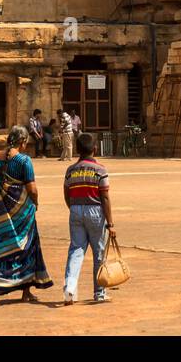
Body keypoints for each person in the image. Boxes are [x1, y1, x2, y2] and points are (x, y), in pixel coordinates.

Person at [0, 125, 53, 305]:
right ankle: (25, 290)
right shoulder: (24, 161)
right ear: (22, 141)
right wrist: (35, 202)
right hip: (22, 215)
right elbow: (32, 189)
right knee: (27, 248)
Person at [63, 131, 115, 305]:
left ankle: (70, 289)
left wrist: (74, 208)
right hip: (95, 211)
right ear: (95, 149)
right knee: (98, 253)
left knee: (76, 250)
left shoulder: (71, 170)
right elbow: (105, 197)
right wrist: (110, 222)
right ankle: (99, 293)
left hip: (76, 209)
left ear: (78, 150)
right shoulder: (100, 169)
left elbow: (66, 193)